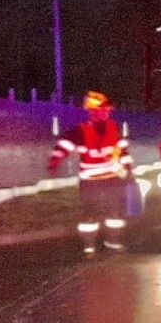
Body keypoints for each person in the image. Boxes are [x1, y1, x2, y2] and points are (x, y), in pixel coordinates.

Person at [48, 91, 135, 254]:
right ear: (93, 111)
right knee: (90, 214)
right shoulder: (80, 131)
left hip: (112, 179)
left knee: (114, 212)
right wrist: (54, 163)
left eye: (107, 110)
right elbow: (62, 147)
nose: (106, 112)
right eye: (103, 109)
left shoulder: (113, 129)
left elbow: (122, 151)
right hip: (90, 181)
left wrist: (129, 170)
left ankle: (112, 242)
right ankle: (89, 246)